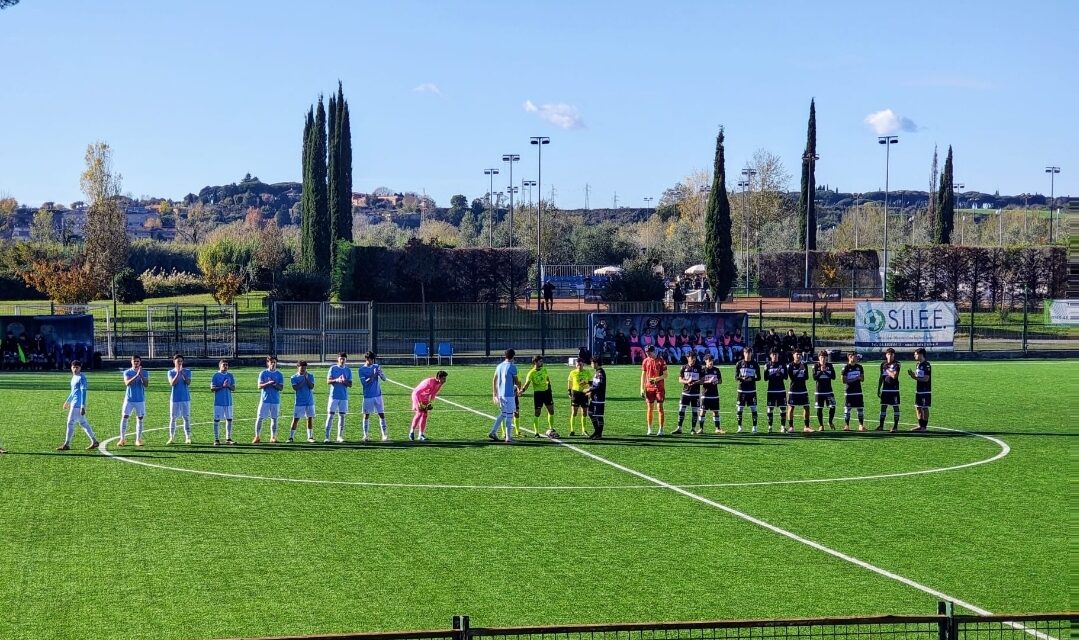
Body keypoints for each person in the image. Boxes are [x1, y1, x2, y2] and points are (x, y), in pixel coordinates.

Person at [57, 359, 99, 451]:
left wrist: (82, 406)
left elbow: (83, 392)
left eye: (77, 367)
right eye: (73, 367)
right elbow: (73, 392)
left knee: (70, 422)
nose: (75, 369)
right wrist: (67, 401)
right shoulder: (74, 377)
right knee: (83, 423)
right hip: (74, 403)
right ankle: (94, 441)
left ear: (80, 368)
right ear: (71, 368)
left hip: (77, 405)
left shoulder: (82, 378)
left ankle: (66, 444)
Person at [519, 355, 555, 437]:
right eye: (540, 361)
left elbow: (547, 379)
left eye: (542, 361)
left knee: (551, 411)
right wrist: (522, 390)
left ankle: (551, 428)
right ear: (535, 362)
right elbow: (527, 384)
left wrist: (549, 388)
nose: (542, 363)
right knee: (537, 413)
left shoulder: (544, 369)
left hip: (547, 393)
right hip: (538, 394)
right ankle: (536, 432)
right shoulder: (531, 373)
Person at [488, 349, 520, 443]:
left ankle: (493, 432)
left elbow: (494, 379)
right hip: (509, 395)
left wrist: (494, 394)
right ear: (513, 356)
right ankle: (508, 438)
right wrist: (519, 388)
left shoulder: (499, 366)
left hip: (501, 395)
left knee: (503, 414)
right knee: (510, 416)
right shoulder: (512, 367)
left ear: (505, 356)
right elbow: (516, 381)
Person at [358, 351, 389, 442]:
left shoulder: (376, 367)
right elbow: (364, 383)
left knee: (381, 414)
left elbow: (384, 379)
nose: (372, 361)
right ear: (366, 359)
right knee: (366, 415)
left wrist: (380, 373)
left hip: (378, 395)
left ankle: (384, 435)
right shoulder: (361, 370)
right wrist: (374, 374)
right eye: (370, 360)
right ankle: (366, 435)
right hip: (368, 396)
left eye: (373, 360)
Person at [119, 355, 149, 447]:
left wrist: (141, 375)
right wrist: (136, 375)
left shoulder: (144, 372)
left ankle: (138, 439)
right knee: (125, 417)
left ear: (140, 362)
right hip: (129, 399)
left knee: (140, 418)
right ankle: (122, 439)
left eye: (138, 361)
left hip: (140, 399)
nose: (136, 363)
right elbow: (127, 383)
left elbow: (146, 384)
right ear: (131, 362)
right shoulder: (127, 372)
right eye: (134, 361)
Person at [254, 355, 284, 444]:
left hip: (275, 400)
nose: (273, 364)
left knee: (274, 419)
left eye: (275, 362)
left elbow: (281, 388)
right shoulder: (263, 373)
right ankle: (257, 436)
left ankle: (273, 437)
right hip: (264, 400)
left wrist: (274, 384)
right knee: (259, 418)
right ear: (268, 363)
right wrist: (268, 383)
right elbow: (259, 386)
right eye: (271, 362)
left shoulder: (279, 374)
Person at [410, 370, 448, 441]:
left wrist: (429, 403)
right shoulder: (429, 382)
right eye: (444, 378)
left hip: (425, 397)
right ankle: (412, 432)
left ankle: (421, 435)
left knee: (425, 415)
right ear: (439, 378)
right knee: (419, 413)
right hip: (417, 396)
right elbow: (416, 392)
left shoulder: (439, 384)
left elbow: (433, 394)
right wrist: (418, 403)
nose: (445, 380)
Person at [640, 344, 668, 435]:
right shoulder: (645, 361)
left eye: (649, 352)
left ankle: (661, 429)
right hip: (649, 388)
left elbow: (666, 375)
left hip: (659, 388)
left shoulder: (661, 361)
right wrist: (641, 388)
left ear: (654, 351)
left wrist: (656, 379)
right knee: (650, 408)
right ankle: (649, 428)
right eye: (646, 353)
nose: (648, 354)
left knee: (660, 408)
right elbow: (643, 375)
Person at [325, 352, 352, 443]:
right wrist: (336, 380)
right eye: (341, 358)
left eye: (344, 358)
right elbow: (328, 381)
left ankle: (339, 436)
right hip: (334, 396)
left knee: (342, 416)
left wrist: (344, 381)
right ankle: (327, 437)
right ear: (338, 359)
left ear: (346, 360)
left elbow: (350, 384)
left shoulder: (348, 370)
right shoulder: (333, 368)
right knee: (330, 415)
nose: (342, 360)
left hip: (343, 397)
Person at [674, 351, 703, 435]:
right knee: (681, 410)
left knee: (695, 411)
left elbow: (702, 380)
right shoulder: (683, 367)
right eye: (692, 358)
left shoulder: (699, 368)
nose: (693, 360)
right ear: (687, 358)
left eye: (694, 358)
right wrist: (687, 381)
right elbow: (680, 380)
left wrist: (695, 382)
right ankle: (679, 428)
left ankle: (693, 429)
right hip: (685, 393)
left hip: (695, 394)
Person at [166, 354, 192, 445]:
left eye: (181, 361)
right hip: (175, 399)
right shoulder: (170, 372)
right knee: (173, 418)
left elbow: (188, 382)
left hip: (185, 398)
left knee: (186, 418)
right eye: (178, 361)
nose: (180, 363)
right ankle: (171, 437)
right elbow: (172, 383)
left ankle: (188, 437)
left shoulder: (187, 371)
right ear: (174, 362)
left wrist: (182, 374)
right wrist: (178, 373)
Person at [289, 360, 316, 443]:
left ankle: (310, 437)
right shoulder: (294, 377)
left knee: (309, 419)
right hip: (299, 402)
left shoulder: (310, 376)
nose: (303, 369)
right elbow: (296, 388)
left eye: (305, 368)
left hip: (309, 401)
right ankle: (291, 437)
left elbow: (311, 387)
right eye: (302, 368)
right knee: (296, 419)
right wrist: (303, 380)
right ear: (298, 367)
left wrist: (307, 379)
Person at [210, 359, 236, 446]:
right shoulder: (216, 375)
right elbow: (212, 389)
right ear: (220, 366)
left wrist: (228, 386)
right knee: (217, 420)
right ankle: (216, 439)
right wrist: (222, 386)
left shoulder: (230, 375)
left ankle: (228, 438)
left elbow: (233, 388)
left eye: (226, 365)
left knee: (229, 419)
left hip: (229, 402)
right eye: (224, 365)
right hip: (218, 402)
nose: (225, 366)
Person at [786, 350, 812, 433]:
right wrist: (799, 370)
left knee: (806, 407)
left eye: (800, 354)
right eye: (797, 354)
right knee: (791, 408)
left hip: (803, 389)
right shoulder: (790, 365)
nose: (799, 356)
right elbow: (792, 378)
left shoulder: (804, 364)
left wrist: (802, 371)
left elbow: (806, 377)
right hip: (793, 390)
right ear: (793, 355)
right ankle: (791, 427)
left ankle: (806, 427)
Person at [735, 347, 760, 433]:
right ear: (744, 353)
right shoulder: (739, 364)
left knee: (754, 409)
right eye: (746, 353)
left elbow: (759, 377)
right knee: (739, 409)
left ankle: (754, 427)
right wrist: (742, 378)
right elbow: (736, 377)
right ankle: (739, 427)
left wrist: (752, 379)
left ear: (751, 354)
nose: (748, 354)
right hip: (741, 391)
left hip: (751, 390)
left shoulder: (755, 364)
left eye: (749, 353)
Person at [877, 348, 901, 432]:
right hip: (885, 389)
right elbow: (881, 377)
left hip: (894, 389)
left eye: (892, 354)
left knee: (895, 407)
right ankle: (881, 426)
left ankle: (895, 426)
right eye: (888, 354)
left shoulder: (897, 364)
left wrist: (886, 369)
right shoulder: (883, 364)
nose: (890, 356)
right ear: (886, 355)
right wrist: (879, 388)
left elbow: (894, 376)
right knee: (883, 407)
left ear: (894, 355)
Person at [698, 352, 723, 434]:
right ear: (705, 361)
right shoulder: (702, 370)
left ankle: (718, 428)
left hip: (715, 394)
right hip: (705, 394)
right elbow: (700, 382)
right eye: (709, 360)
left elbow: (720, 381)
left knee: (715, 411)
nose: (711, 362)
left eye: (712, 360)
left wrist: (717, 381)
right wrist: (708, 381)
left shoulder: (716, 370)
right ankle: (701, 429)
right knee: (703, 411)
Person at [908, 348, 932, 432]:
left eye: (915, 354)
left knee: (925, 408)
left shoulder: (927, 365)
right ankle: (920, 425)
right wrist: (913, 374)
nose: (914, 355)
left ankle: (924, 427)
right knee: (918, 407)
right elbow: (918, 376)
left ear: (921, 354)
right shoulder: (918, 364)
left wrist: (914, 377)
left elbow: (926, 379)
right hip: (918, 390)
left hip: (925, 390)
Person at [840, 352, 866, 431]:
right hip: (849, 391)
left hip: (858, 391)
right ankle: (847, 425)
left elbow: (862, 379)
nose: (853, 358)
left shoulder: (860, 367)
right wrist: (855, 378)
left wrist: (859, 378)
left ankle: (861, 425)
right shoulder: (845, 368)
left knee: (860, 409)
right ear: (849, 357)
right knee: (847, 409)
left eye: (855, 356)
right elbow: (843, 381)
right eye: (851, 356)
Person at [812, 350, 837, 430]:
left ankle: (830, 421)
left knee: (832, 406)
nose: (823, 359)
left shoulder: (830, 365)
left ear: (827, 358)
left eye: (825, 357)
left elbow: (833, 377)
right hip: (819, 391)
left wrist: (825, 372)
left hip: (829, 391)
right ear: (819, 358)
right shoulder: (816, 366)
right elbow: (815, 378)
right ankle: (821, 425)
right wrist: (821, 371)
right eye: (822, 357)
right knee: (819, 408)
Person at [764, 349, 788, 433]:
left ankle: (783, 427)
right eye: (773, 354)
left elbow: (786, 377)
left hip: (781, 390)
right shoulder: (767, 365)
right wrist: (774, 374)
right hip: (771, 390)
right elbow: (765, 378)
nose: (774, 356)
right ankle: (770, 427)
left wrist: (780, 373)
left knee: (783, 409)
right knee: (770, 409)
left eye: (776, 354)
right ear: (770, 355)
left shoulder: (783, 364)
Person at [566, 358, 591, 436]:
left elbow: (590, 382)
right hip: (575, 393)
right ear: (575, 365)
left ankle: (584, 430)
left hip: (584, 393)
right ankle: (572, 430)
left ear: (583, 364)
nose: (579, 366)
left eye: (580, 364)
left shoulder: (587, 372)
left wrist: (590, 391)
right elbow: (569, 382)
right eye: (577, 364)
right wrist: (569, 391)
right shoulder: (572, 373)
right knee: (574, 412)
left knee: (584, 412)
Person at [585, 357, 607, 439]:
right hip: (594, 397)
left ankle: (599, 433)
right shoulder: (597, 372)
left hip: (599, 398)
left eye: (592, 363)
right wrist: (587, 382)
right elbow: (595, 383)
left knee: (598, 415)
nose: (591, 364)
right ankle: (596, 431)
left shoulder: (600, 373)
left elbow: (599, 386)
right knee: (590, 413)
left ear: (596, 363)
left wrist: (589, 389)